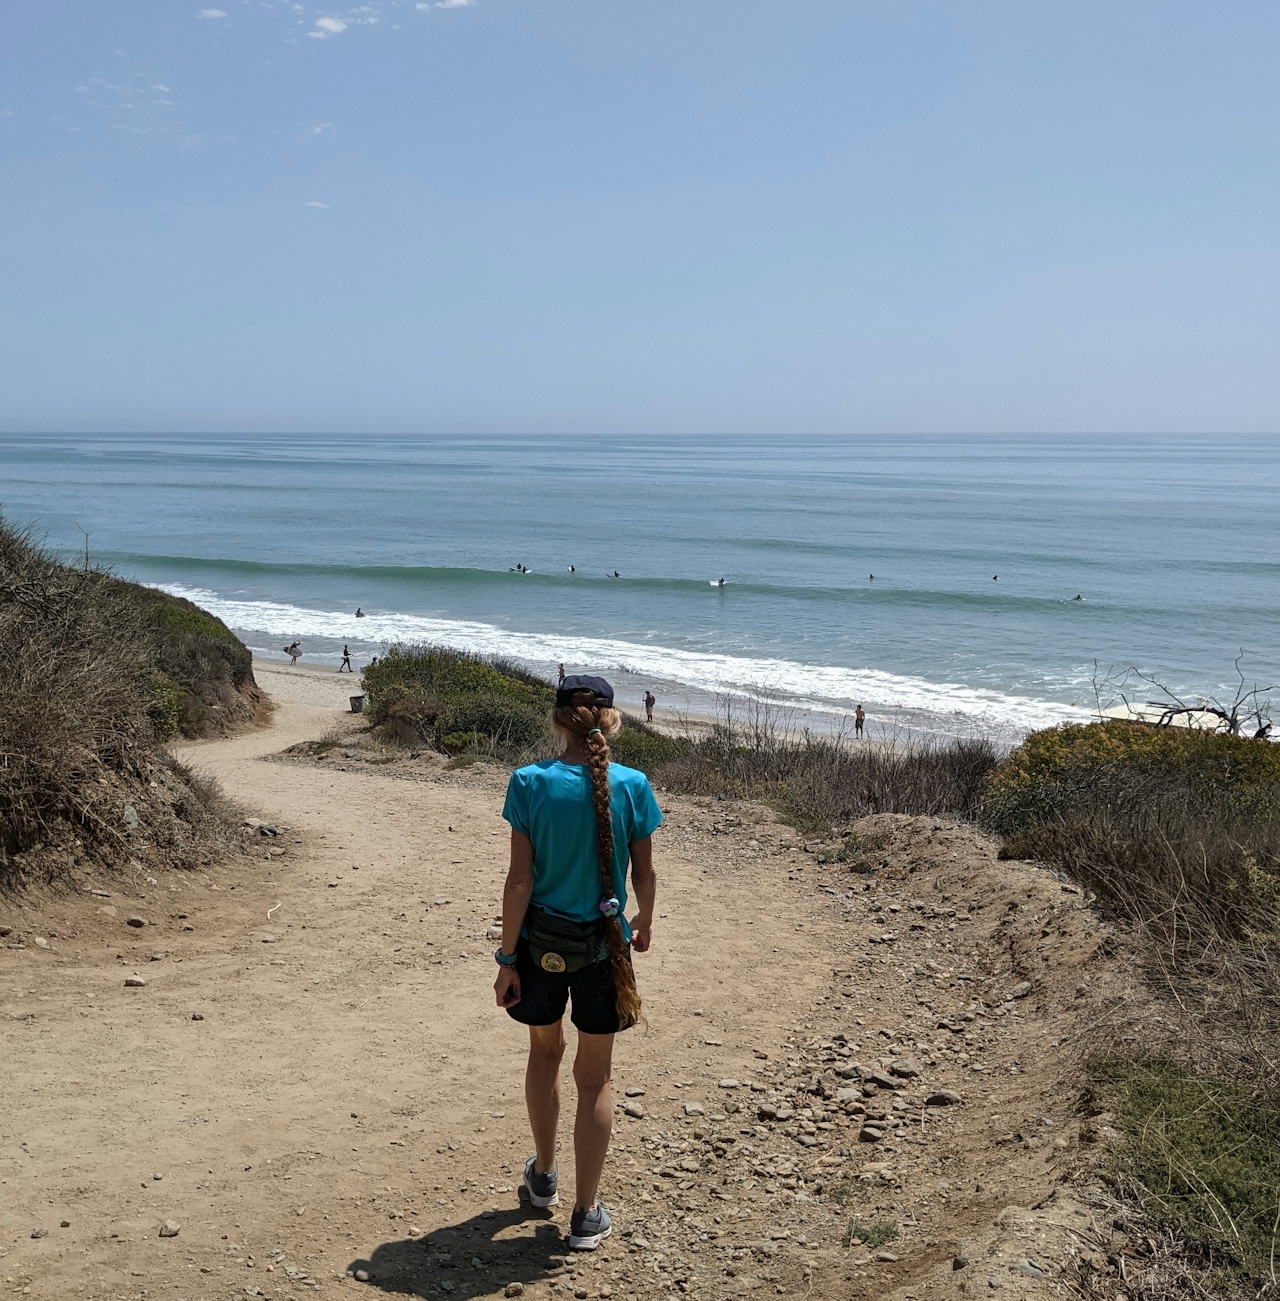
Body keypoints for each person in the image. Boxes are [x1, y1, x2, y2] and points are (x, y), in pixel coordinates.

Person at [494, 675, 661, 1251]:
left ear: (559, 720)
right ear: (612, 720)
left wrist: (507, 957)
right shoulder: (634, 785)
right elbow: (643, 874)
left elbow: (520, 880)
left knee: (545, 1053)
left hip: (541, 943)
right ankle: (586, 1215)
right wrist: (643, 920)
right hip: (604, 947)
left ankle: (543, 1178)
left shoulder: (529, 781)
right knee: (596, 1078)